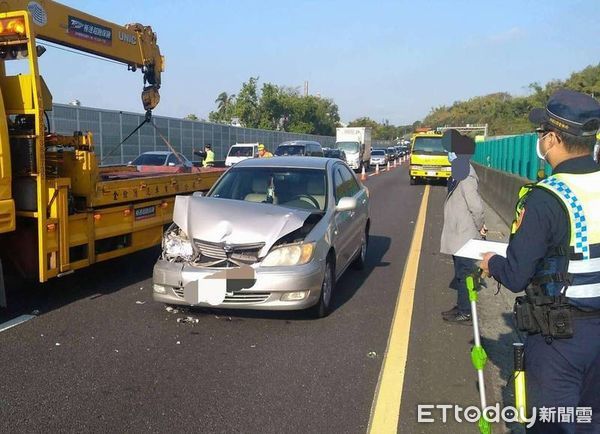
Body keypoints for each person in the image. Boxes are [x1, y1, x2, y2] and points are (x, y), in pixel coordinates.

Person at [481, 89, 600, 433]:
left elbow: (517, 275)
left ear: (551, 138)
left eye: (541, 134)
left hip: (560, 341)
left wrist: (491, 262)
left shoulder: (546, 198)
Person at [440, 129, 486, 325]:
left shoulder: (466, 174)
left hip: (465, 234)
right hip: (458, 233)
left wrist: (481, 226)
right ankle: (461, 307)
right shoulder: (459, 170)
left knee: (466, 273)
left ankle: (467, 311)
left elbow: (476, 206)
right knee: (460, 273)